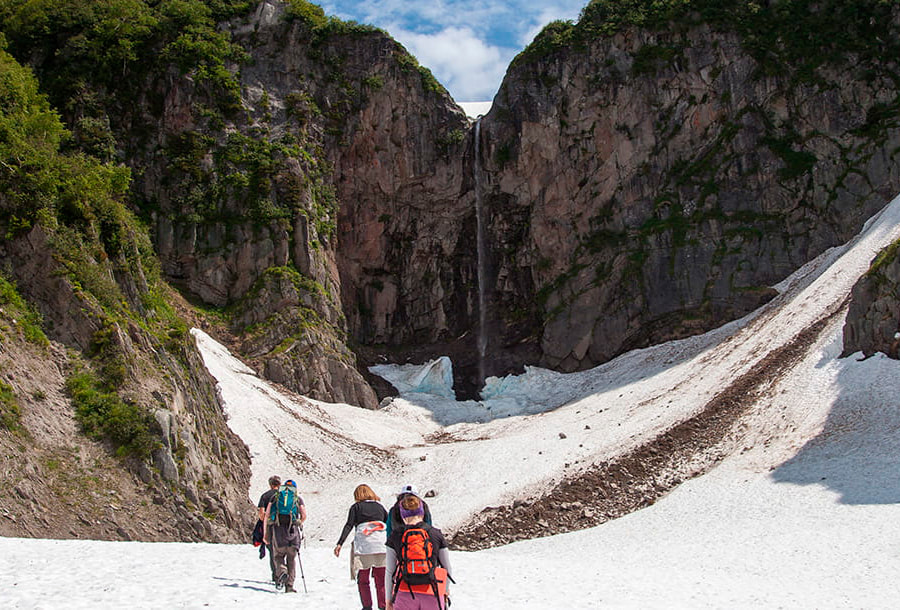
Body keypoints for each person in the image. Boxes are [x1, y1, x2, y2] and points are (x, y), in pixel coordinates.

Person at [386, 494, 453, 610]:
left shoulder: (395, 535)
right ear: (422, 512)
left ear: (402, 515)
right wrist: (445, 591)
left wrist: (388, 600)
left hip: (404, 592)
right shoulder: (435, 533)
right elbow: (447, 568)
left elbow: (389, 571)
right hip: (432, 592)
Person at [334, 484, 389, 610]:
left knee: (363, 579)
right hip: (381, 545)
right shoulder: (380, 507)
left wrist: (340, 543)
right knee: (381, 579)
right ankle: (383, 606)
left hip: (364, 547)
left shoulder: (356, 507)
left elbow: (349, 525)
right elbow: (388, 524)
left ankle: (367, 606)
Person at [263, 479, 307, 593]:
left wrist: (266, 534)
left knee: (278, 556)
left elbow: (267, 515)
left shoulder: (275, 498)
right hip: (293, 533)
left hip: (278, 533)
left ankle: (282, 572)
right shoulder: (297, 499)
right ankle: (289, 586)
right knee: (291, 559)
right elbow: (304, 515)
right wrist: (299, 522)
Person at [257, 475, 281, 582]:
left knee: (272, 552)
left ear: (270, 484)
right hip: (283, 527)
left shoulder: (265, 496)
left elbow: (261, 515)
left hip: (270, 527)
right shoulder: (283, 496)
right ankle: (284, 572)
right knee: (282, 551)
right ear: (279, 484)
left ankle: (276, 575)